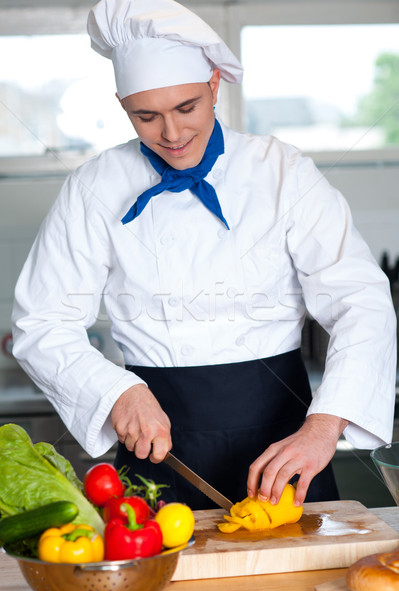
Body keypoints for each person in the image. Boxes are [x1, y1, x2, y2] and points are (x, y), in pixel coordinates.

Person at [12, 0, 396, 510]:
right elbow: (41, 321)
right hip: (157, 446)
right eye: (145, 116)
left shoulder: (282, 170)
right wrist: (115, 392)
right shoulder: (94, 186)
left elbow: (361, 300)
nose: (171, 135)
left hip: (285, 442)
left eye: (186, 108)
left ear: (214, 85)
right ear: (122, 104)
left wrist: (325, 425)